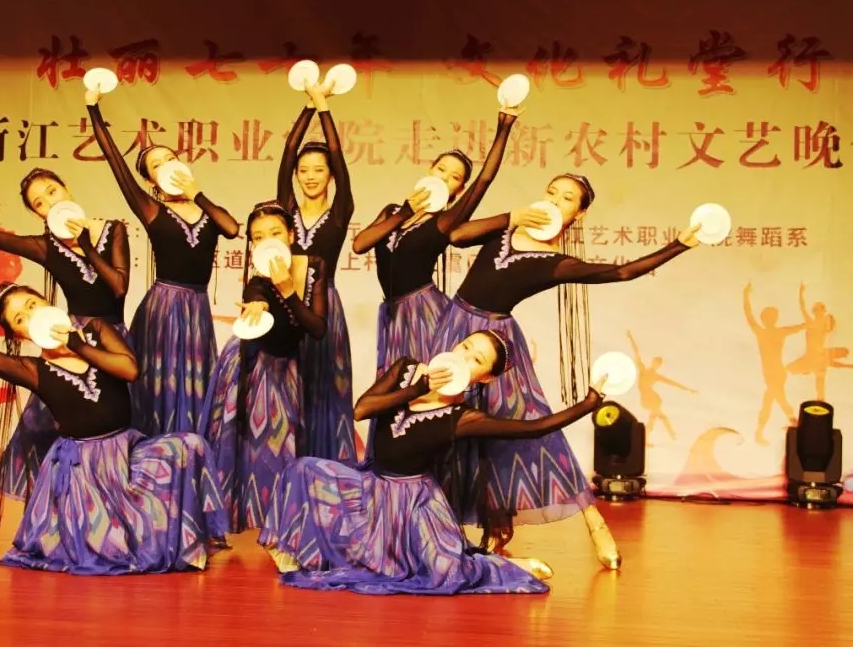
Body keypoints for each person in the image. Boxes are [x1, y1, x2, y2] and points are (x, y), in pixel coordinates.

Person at [432, 173, 702, 568]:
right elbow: (456, 235)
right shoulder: (508, 228)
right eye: (551, 192)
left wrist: (681, 243)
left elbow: (622, 273)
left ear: (579, 214)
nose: (556, 200)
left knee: (529, 429)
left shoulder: (556, 263)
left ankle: (595, 523)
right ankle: (458, 527)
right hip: (453, 330)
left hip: (496, 341)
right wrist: (513, 216)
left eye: (567, 198)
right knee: (440, 425)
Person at [258, 329, 607, 595]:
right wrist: (416, 389)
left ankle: (508, 566)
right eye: (465, 347)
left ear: (484, 378)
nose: (464, 357)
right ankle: (288, 549)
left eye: (476, 360)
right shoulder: (407, 369)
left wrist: (589, 403)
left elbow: (534, 429)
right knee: (301, 469)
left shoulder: (462, 417)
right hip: (370, 484)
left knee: (446, 573)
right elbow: (362, 409)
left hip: (413, 503)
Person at [0, 278, 228, 574]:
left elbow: (129, 370)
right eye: (20, 319)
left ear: (47, 302)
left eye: (32, 305)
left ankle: (189, 544)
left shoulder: (96, 330)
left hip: (126, 452)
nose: (31, 316)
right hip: (85, 471)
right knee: (109, 548)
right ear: (19, 335)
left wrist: (76, 344)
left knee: (191, 446)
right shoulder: (32, 369)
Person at [0, 163, 130, 542]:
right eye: (39, 203)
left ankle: (120, 513)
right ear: (38, 214)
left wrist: (85, 243)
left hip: (112, 341)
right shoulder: (46, 248)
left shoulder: (112, 230)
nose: (49, 203)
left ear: (66, 189)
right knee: (34, 427)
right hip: (67, 339)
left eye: (52, 192)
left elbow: (118, 289)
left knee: (121, 425)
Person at [86, 87, 240, 438]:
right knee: (160, 382)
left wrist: (195, 191)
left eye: (170, 159)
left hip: (196, 307)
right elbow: (114, 160)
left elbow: (232, 229)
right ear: (149, 180)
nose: (166, 166)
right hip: (164, 306)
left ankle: (191, 451)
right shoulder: (152, 209)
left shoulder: (206, 208)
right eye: (156, 165)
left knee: (195, 382)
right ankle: (158, 451)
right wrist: (93, 108)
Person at [352, 103, 548, 376]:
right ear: (429, 170)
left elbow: (484, 180)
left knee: (428, 380)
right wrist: (405, 212)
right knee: (396, 384)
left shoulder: (445, 221)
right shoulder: (392, 212)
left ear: (458, 190)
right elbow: (359, 245)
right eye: (441, 169)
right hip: (392, 313)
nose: (444, 178)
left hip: (424, 312)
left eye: (454, 177)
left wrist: (505, 125)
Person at [198, 202, 327, 532]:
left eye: (275, 233)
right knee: (242, 447)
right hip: (253, 365)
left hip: (287, 368)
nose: (267, 242)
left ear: (291, 234)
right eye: (257, 237)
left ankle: (279, 526)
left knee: (282, 448)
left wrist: (288, 291)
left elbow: (317, 328)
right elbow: (256, 296)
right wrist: (257, 303)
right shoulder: (257, 278)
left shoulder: (313, 266)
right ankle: (232, 523)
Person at [276, 79, 356, 463]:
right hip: (286, 302)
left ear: (331, 175)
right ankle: (288, 463)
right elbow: (287, 152)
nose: (310, 176)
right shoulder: (286, 209)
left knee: (325, 387)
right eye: (304, 170)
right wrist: (309, 104)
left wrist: (324, 107)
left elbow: (338, 155)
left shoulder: (340, 212)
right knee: (287, 382)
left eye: (319, 170)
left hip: (326, 307)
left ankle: (326, 466)